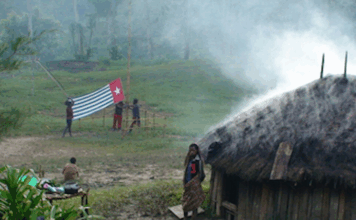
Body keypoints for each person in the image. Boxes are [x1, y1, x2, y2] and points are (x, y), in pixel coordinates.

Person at [182, 143, 206, 220]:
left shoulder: (197, 161)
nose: (191, 152)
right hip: (188, 184)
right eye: (190, 150)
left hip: (194, 185)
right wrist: (186, 182)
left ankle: (193, 217)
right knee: (185, 201)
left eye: (193, 150)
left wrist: (196, 182)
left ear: (196, 151)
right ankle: (185, 217)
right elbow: (187, 172)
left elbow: (201, 174)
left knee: (194, 202)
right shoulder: (190, 160)